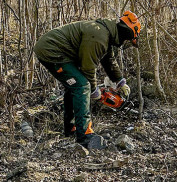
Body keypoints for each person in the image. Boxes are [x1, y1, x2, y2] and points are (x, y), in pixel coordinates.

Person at [34, 11, 141, 149]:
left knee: (74, 86)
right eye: (128, 40)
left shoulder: (106, 33)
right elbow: (88, 67)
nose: (125, 43)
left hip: (59, 51)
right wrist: (94, 91)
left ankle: (71, 127)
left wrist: (120, 81)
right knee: (82, 86)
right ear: (126, 33)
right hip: (52, 51)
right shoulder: (99, 36)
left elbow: (108, 60)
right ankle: (85, 135)